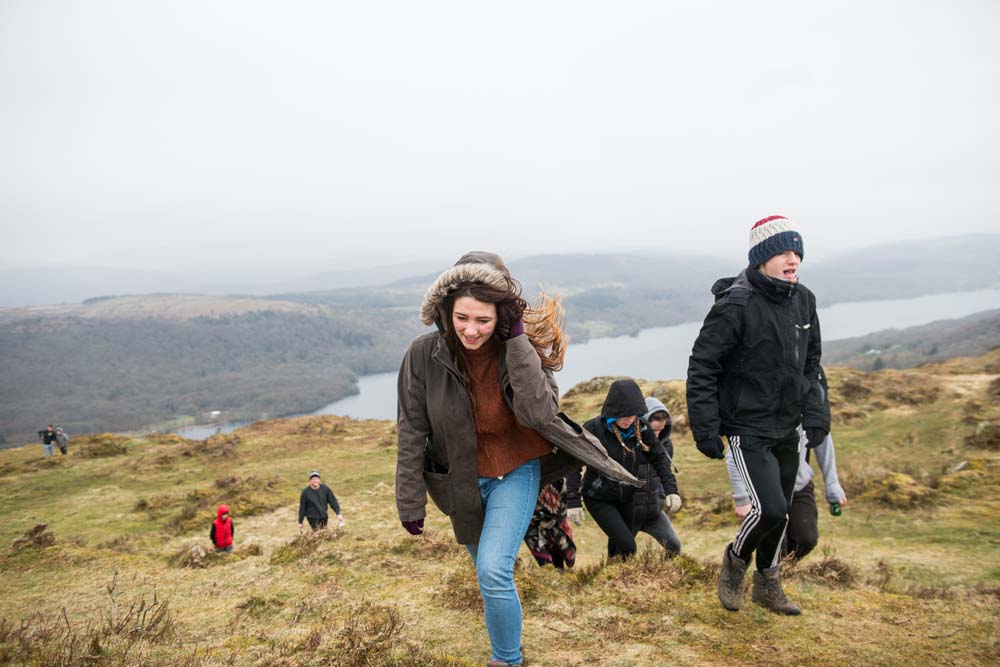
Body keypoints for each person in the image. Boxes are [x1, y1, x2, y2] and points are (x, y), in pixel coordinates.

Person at [396, 251, 639, 667]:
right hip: (462, 480)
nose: (471, 330)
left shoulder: (521, 348)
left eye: (483, 320)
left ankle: (506, 660)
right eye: (462, 318)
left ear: (502, 315)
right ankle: (509, 649)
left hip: (516, 470)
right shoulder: (423, 355)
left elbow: (538, 413)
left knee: (493, 570)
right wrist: (410, 501)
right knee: (488, 576)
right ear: (446, 310)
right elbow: (411, 430)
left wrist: (516, 341)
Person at [687, 214, 830, 615]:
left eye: (797, 252)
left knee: (781, 513)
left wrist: (816, 415)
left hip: (787, 424)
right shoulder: (736, 304)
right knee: (769, 510)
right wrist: (705, 427)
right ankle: (735, 560)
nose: (793, 259)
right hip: (746, 426)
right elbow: (703, 365)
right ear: (763, 256)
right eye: (784, 251)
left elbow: (812, 363)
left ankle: (767, 583)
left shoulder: (804, 299)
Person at [566, 379, 680, 560]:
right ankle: (615, 577)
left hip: (628, 497)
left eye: (634, 414)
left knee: (619, 550)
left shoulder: (642, 428)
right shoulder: (593, 429)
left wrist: (671, 490)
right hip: (599, 498)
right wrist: (573, 501)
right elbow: (573, 464)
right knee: (628, 546)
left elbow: (659, 458)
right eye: (625, 414)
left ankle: (613, 582)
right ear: (614, 409)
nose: (630, 419)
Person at [727, 426, 846, 561]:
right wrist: (742, 498)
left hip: (798, 484)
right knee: (773, 543)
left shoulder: (806, 408)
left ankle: (783, 570)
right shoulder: (756, 411)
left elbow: (822, 439)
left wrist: (832, 485)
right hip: (763, 490)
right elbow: (734, 452)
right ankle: (753, 569)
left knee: (806, 539)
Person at [642, 396, 682, 554]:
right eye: (654, 431)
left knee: (674, 545)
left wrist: (665, 496)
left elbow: (665, 473)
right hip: (627, 510)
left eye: (661, 430)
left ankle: (666, 577)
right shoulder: (629, 442)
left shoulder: (666, 445)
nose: (657, 435)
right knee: (622, 550)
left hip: (653, 510)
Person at [523, 479, 578, 570]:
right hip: (528, 487)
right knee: (533, 529)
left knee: (556, 532)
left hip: (554, 489)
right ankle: (549, 572)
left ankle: (557, 571)